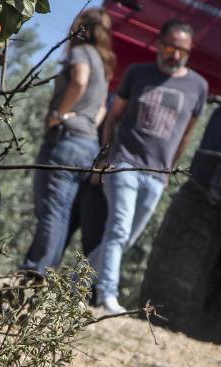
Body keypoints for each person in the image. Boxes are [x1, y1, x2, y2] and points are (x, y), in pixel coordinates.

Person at [89, 19, 208, 314]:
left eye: (182, 50)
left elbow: (186, 134)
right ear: (158, 44)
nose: (175, 55)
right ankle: (107, 296)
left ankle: (73, 279)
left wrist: (169, 171)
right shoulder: (137, 73)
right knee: (118, 229)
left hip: (157, 175)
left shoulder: (198, 86)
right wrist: (105, 156)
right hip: (124, 163)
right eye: (170, 47)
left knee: (126, 237)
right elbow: (114, 116)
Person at [19, 8, 114, 277]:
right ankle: (44, 269)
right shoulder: (103, 61)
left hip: (65, 141)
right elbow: (101, 111)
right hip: (86, 144)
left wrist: (60, 114)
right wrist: (86, 122)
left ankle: (36, 269)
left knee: (50, 210)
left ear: (82, 25)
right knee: (60, 211)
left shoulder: (82, 53)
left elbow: (79, 82)